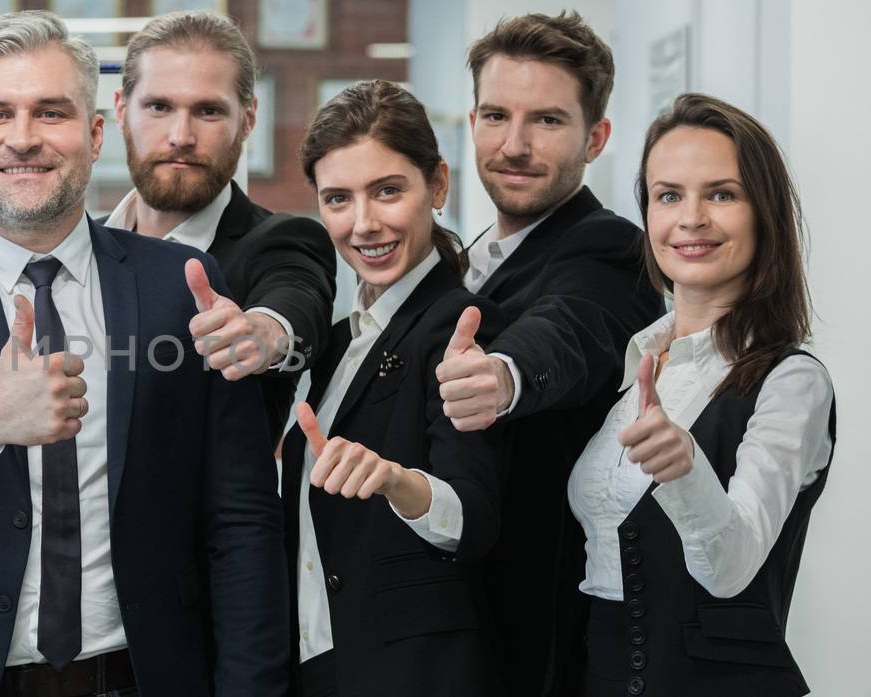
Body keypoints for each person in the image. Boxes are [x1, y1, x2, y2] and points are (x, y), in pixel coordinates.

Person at [0, 11, 288, 697]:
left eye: (51, 112)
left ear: (95, 133)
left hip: (140, 676)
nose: (23, 139)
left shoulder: (180, 285)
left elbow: (242, 519)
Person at [569, 93, 834, 697]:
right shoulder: (634, 367)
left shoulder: (791, 381)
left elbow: (731, 568)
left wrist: (686, 469)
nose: (691, 218)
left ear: (762, 214)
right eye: (668, 196)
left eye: (721, 194)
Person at [438, 12, 666, 692]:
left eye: (547, 121)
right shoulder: (466, 255)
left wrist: (503, 376)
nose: (513, 144)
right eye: (496, 115)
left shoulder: (613, 250)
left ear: (595, 138)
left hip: (530, 643)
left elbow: (570, 328)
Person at [285, 80, 509, 697]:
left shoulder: (462, 329)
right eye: (337, 199)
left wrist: (394, 480)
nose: (363, 224)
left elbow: (473, 518)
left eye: (387, 191)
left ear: (437, 186)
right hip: (324, 658)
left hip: (413, 674)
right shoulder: (337, 341)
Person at [103, 10, 336, 440]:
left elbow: (297, 301)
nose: (180, 136)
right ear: (121, 109)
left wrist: (264, 334)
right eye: (159, 106)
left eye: (208, 111)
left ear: (247, 119)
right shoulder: (77, 246)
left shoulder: (281, 241)